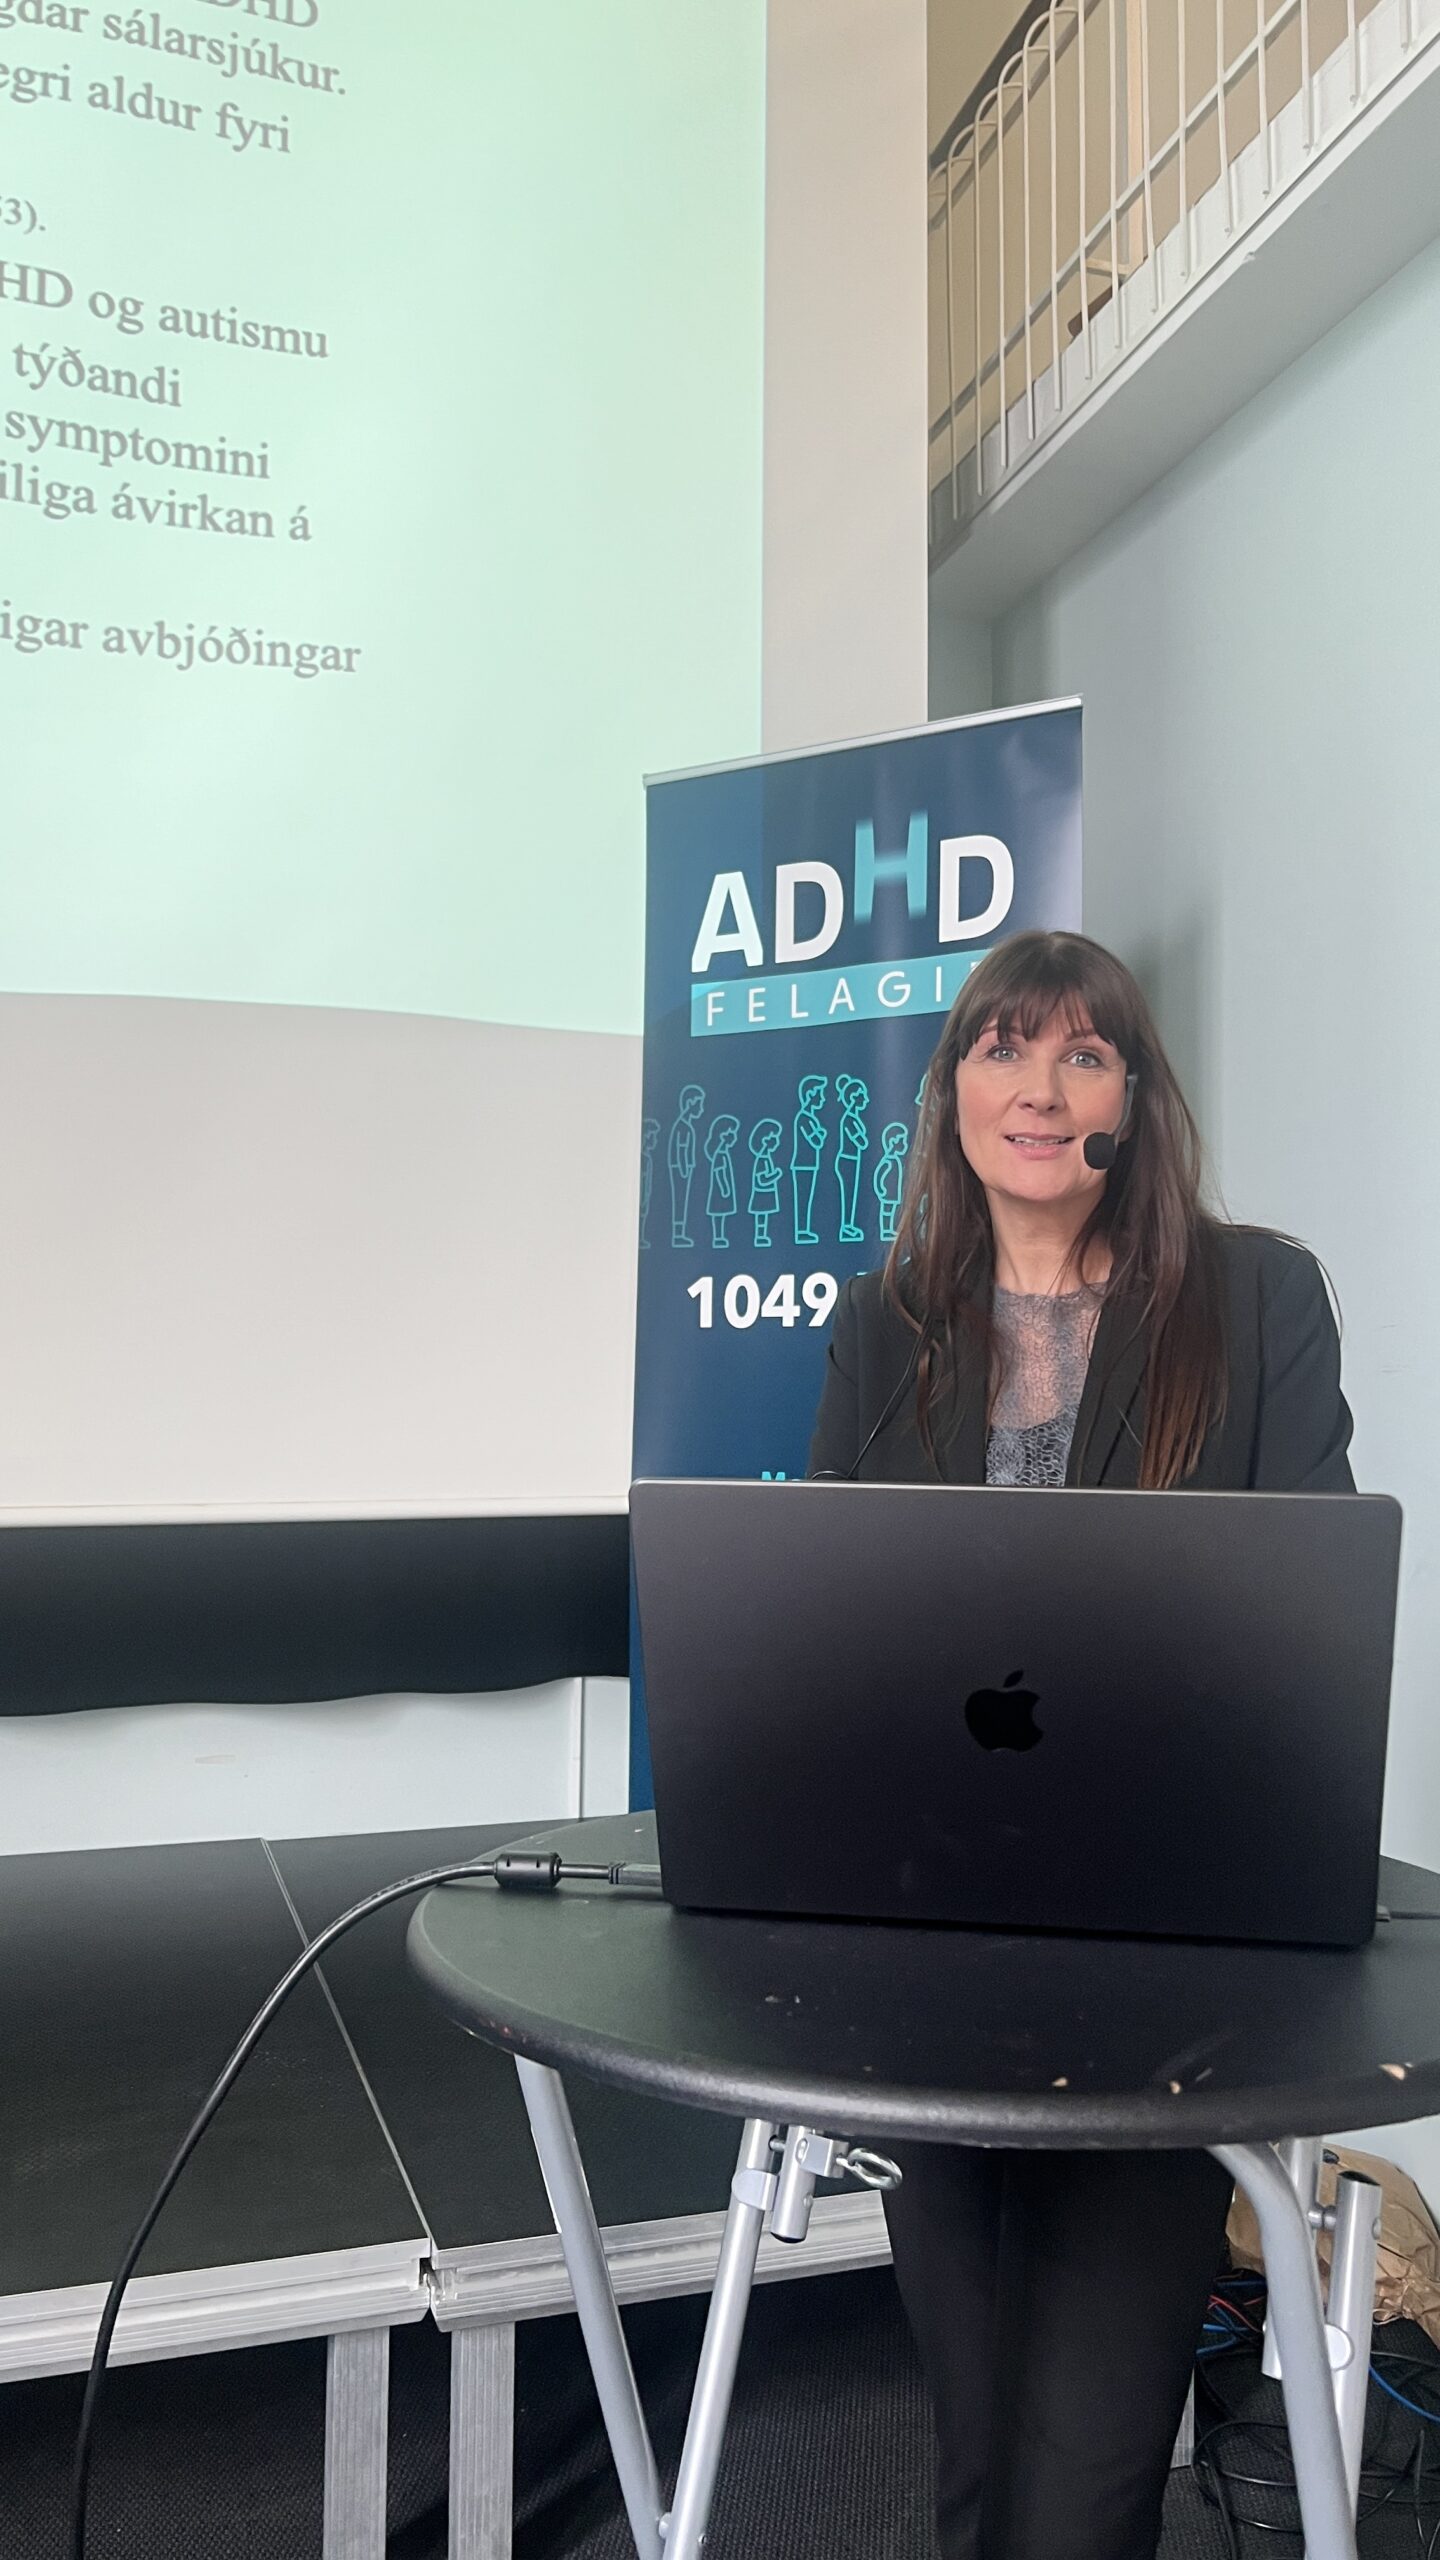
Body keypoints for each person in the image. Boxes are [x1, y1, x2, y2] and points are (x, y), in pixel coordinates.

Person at [808, 930, 1354, 2560]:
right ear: (953, 1091)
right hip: (933, 1947)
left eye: (1084, 1053)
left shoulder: (1255, 1299)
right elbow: (827, 1632)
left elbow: (1310, 1629)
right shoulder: (884, 1323)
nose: (1039, 1088)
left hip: (1163, 1961)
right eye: (1003, 1047)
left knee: (1087, 2476)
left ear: (1135, 1098)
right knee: (974, 2451)